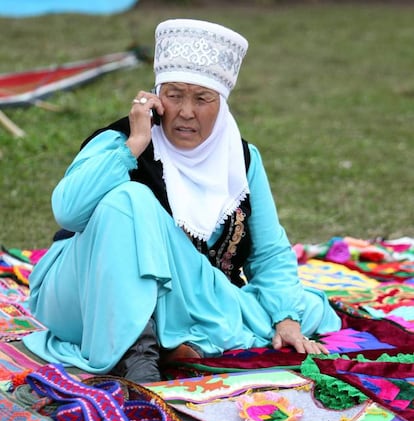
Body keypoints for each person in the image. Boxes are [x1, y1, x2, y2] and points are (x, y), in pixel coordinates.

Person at [23, 18, 341, 384]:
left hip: (183, 298)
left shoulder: (241, 161)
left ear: (221, 104)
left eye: (202, 98)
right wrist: (134, 146)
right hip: (82, 296)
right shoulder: (120, 143)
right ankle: (138, 359)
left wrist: (285, 316)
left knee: (301, 307)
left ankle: (171, 338)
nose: (187, 111)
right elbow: (67, 211)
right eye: (174, 95)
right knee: (131, 199)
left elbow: (269, 253)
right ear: (157, 97)